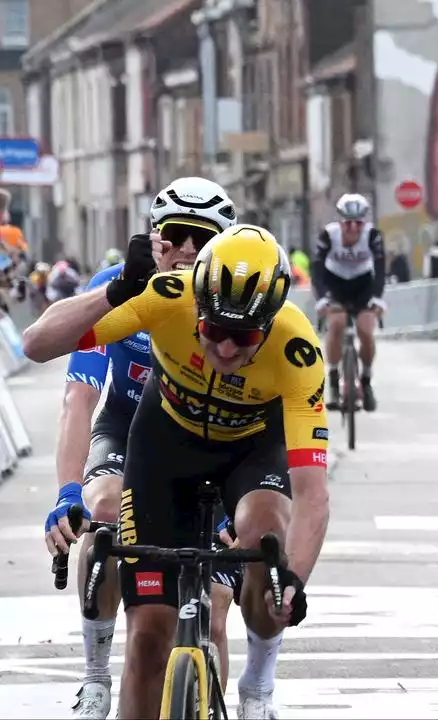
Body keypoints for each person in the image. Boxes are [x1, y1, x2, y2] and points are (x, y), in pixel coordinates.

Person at [22, 224, 331, 720]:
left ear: (271, 323)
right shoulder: (168, 297)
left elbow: (313, 493)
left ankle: (257, 685)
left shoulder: (298, 351)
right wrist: (117, 289)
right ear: (198, 307)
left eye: (244, 336)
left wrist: (292, 579)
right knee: (146, 640)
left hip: (251, 454)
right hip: (164, 448)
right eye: (213, 330)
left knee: (266, 533)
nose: (226, 350)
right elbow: (36, 343)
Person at [43, 177, 241, 719]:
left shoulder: (234, 295)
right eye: (172, 236)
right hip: (130, 429)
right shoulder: (122, 285)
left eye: (200, 239)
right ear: (152, 238)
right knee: (103, 512)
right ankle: (95, 677)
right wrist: (66, 491)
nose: (184, 250)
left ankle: (248, 695)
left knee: (218, 614)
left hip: (214, 439)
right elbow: (79, 400)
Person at [312, 193, 386, 411]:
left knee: (365, 330)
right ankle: (334, 380)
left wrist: (377, 298)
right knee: (336, 325)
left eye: (358, 223)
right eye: (347, 223)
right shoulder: (328, 235)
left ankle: (366, 380)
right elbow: (316, 270)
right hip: (335, 284)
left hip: (363, 285)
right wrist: (322, 298)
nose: (353, 228)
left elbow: (380, 270)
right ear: (340, 221)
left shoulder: (372, 235)